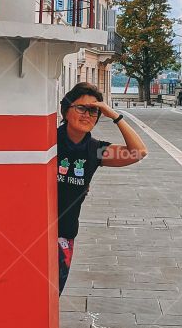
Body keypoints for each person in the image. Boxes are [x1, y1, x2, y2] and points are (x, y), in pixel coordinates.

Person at [57, 82, 147, 291]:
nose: (87, 115)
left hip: (64, 235)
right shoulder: (49, 142)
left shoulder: (95, 150)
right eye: (81, 108)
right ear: (66, 110)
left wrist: (114, 116)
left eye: (94, 110)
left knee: (52, 294)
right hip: (33, 232)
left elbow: (138, 152)